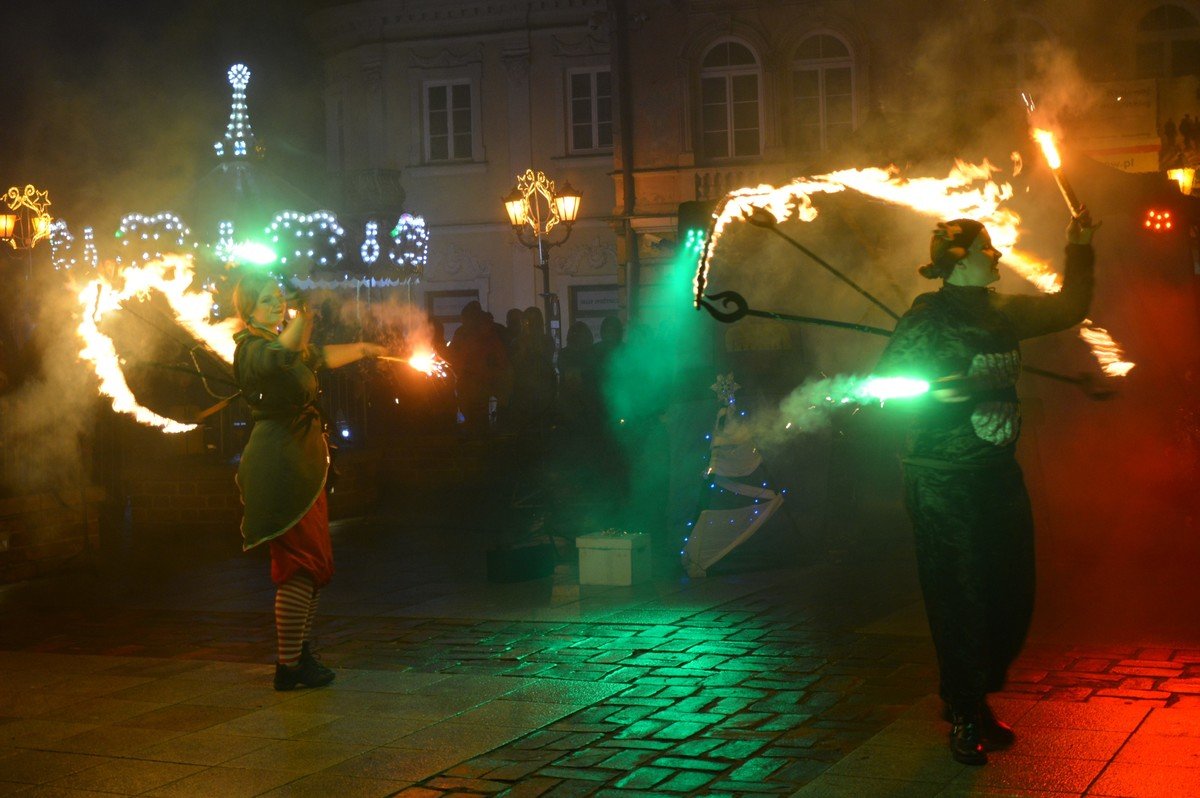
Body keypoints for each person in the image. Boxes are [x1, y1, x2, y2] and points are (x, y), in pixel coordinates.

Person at [874, 211, 1098, 765]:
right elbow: (887, 388)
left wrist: (1080, 248)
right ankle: (967, 710)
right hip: (943, 480)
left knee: (1010, 589)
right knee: (963, 594)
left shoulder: (1000, 312)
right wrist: (951, 389)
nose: (996, 255)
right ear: (958, 257)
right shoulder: (928, 316)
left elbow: (1070, 308)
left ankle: (966, 695)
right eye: (987, 248)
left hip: (996, 472)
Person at [231, 273, 386, 691]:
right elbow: (283, 354)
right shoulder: (250, 350)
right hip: (281, 467)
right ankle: (289, 664)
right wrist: (304, 314)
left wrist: (365, 349)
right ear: (248, 311)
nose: (276, 305)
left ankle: (297, 655)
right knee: (300, 565)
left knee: (314, 564)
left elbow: (314, 354)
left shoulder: (285, 345)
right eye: (267, 301)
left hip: (301, 463)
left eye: (279, 299)